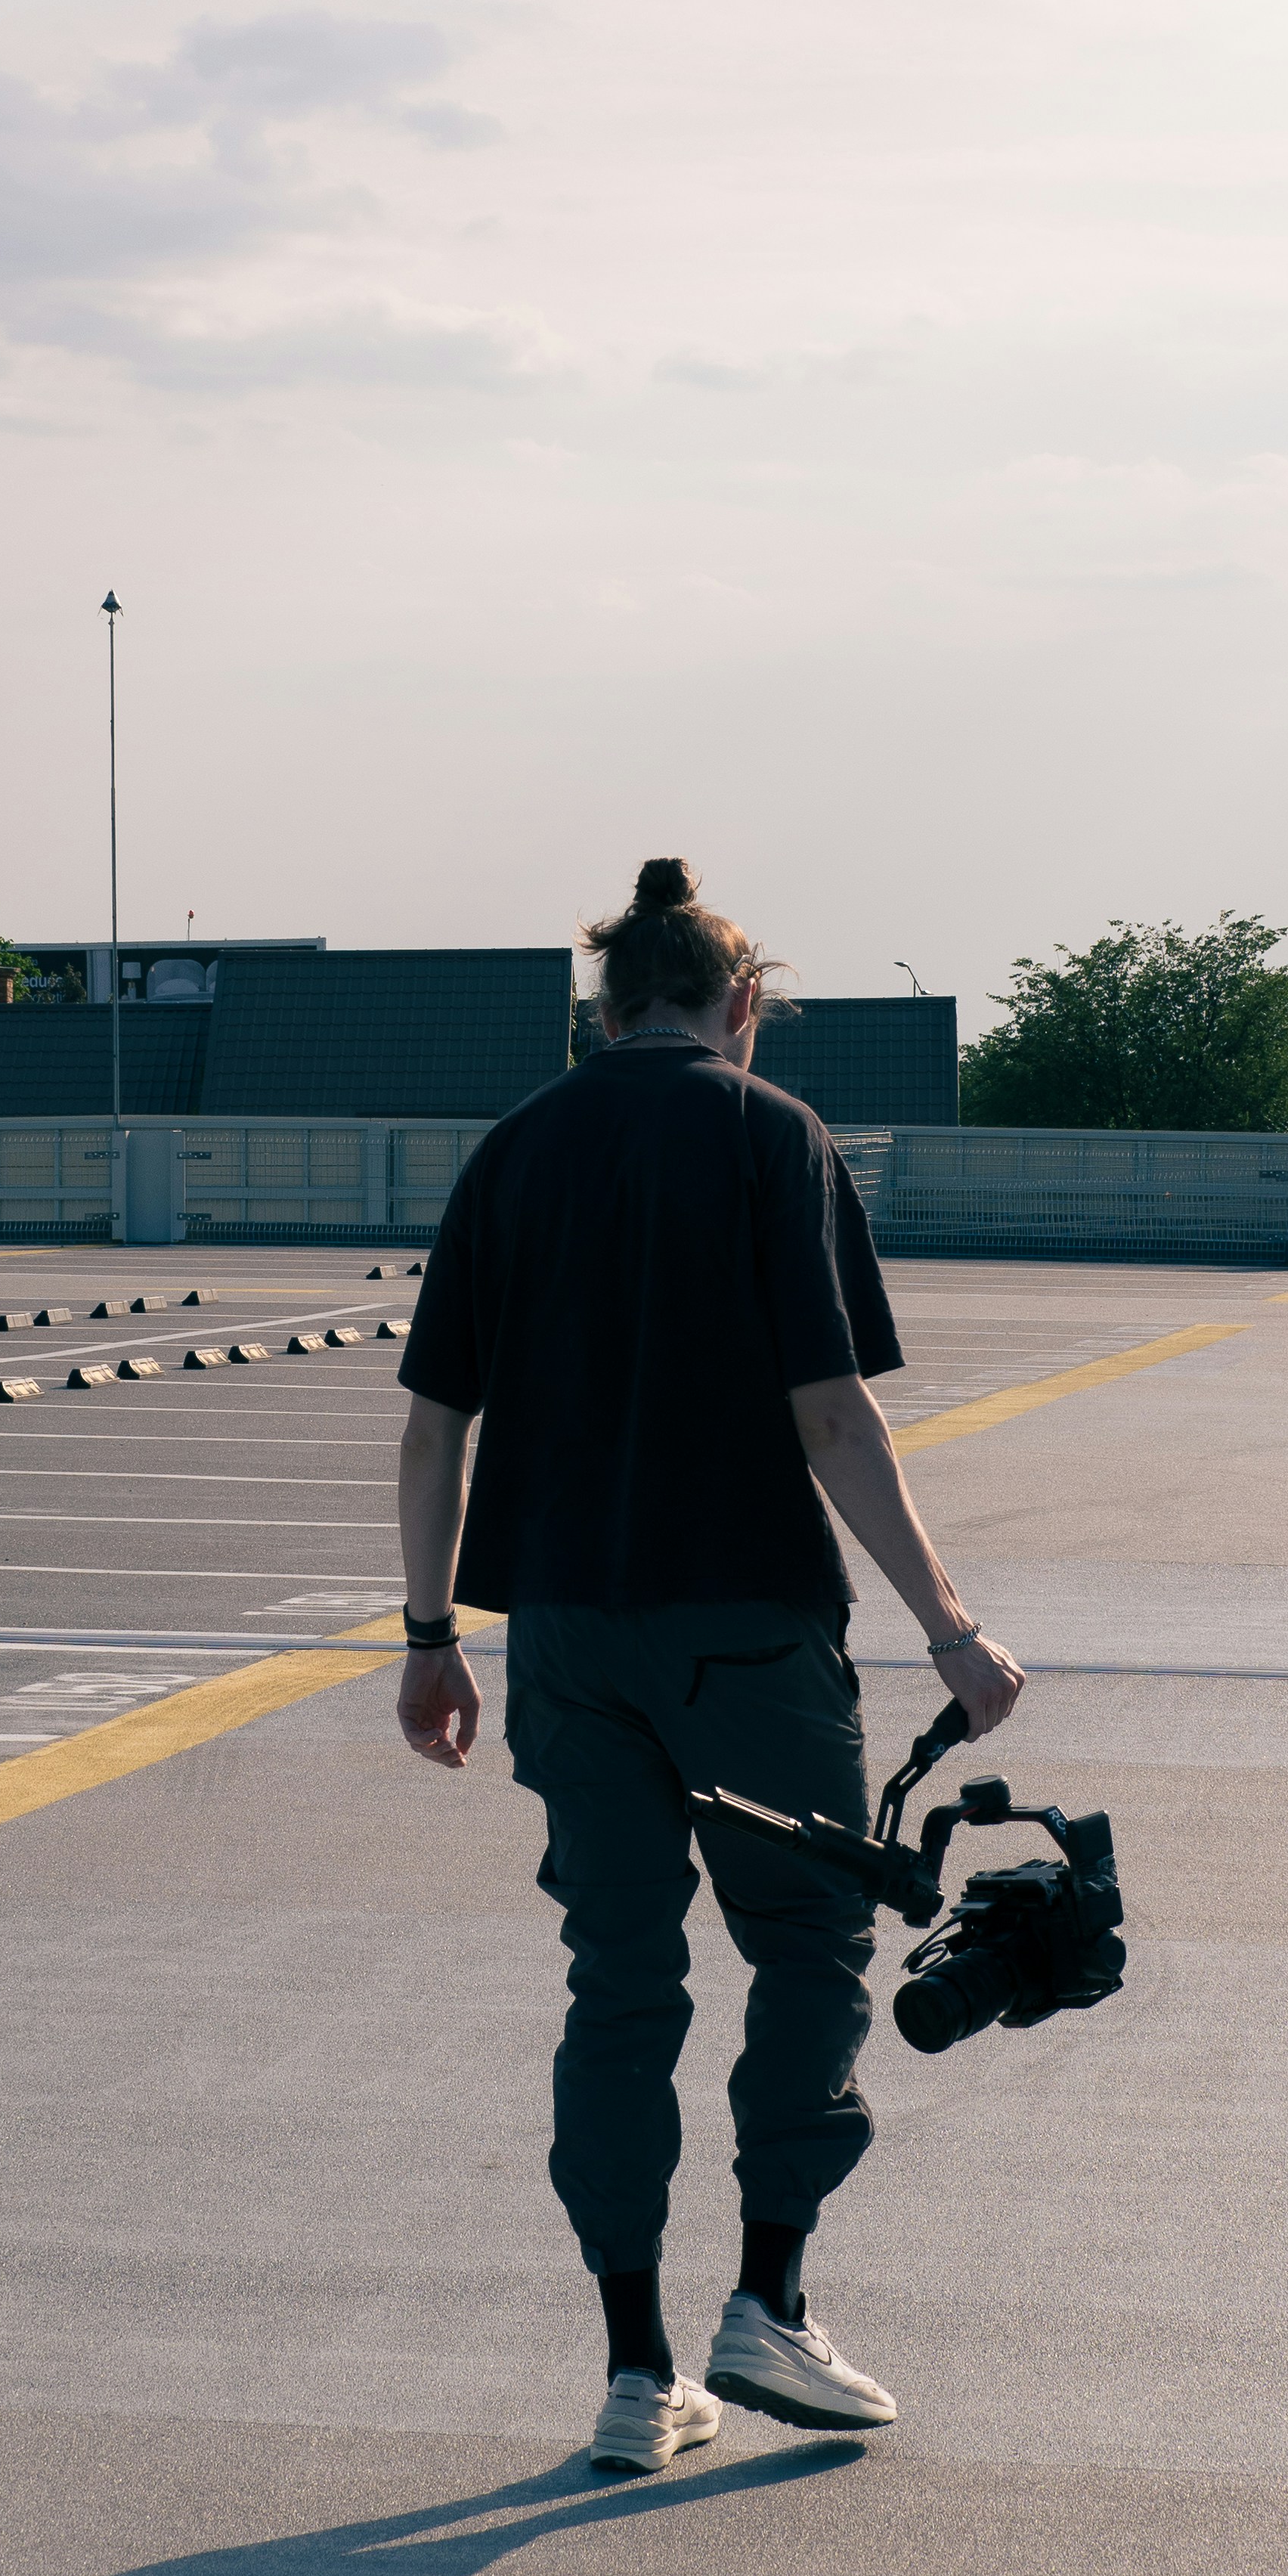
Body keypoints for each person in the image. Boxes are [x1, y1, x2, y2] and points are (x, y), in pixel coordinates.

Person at [395, 857, 1023, 2475]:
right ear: (741, 1005)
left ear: (607, 1009)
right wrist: (951, 1628)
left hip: (569, 1639)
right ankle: (768, 2306)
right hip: (745, 1623)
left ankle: (631, 2369)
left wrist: (427, 1641)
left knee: (619, 1985)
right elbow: (833, 1416)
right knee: (808, 1950)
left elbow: (434, 1427)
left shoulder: (516, 1149)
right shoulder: (770, 1135)